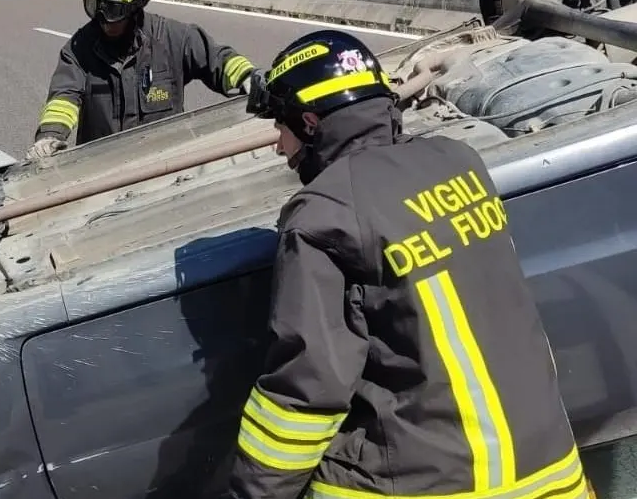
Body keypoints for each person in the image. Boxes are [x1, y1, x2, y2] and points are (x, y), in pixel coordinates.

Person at [230, 29, 589, 498]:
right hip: (551, 476)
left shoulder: (323, 213)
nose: (280, 147)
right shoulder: (462, 164)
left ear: (312, 122)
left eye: (281, 127)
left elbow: (306, 392)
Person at [25, 0, 257, 161]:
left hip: (163, 168)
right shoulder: (79, 49)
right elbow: (64, 96)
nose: (103, 20)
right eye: (97, 7)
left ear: (135, 8)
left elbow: (218, 59)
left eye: (113, 10)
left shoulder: (172, 38)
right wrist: (50, 136)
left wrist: (248, 79)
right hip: (100, 170)